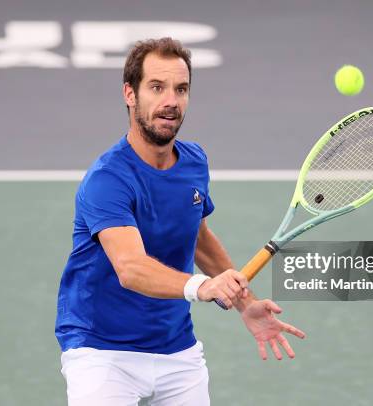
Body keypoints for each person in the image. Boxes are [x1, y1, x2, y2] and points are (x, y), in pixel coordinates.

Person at [55, 37, 305, 406]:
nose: (170, 100)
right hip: (102, 353)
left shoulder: (194, 161)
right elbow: (131, 268)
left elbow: (198, 237)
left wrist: (245, 303)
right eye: (156, 87)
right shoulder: (108, 179)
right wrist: (201, 287)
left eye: (181, 89)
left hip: (177, 351)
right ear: (130, 93)